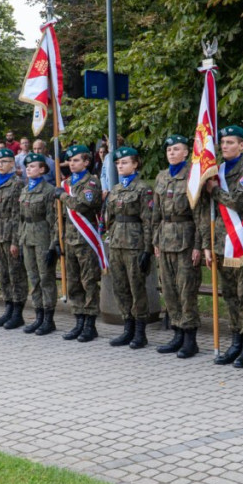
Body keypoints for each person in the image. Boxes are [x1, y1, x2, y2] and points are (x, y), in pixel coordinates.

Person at [205, 125, 243, 367]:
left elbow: (239, 202)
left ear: (242, 145)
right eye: (224, 142)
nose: (225, 146)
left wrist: (215, 190)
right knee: (230, 295)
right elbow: (207, 212)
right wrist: (206, 245)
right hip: (221, 243)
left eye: (231, 142)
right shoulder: (215, 171)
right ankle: (235, 342)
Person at [153, 134, 206, 358]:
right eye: (169, 150)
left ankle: (190, 338)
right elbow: (156, 212)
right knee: (169, 290)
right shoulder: (162, 176)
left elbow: (200, 215)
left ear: (186, 152)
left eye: (176, 149)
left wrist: (198, 246)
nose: (172, 153)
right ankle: (176, 333)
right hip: (164, 239)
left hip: (185, 241)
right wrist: (155, 241)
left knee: (186, 291)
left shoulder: (193, 176)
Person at [105, 146, 154, 349]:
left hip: (135, 244)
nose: (120, 166)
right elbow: (110, 217)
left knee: (136, 287)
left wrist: (147, 250)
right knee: (120, 287)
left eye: (124, 162)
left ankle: (140, 331)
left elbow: (148, 221)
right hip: (117, 243)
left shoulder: (143, 188)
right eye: (117, 163)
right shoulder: (115, 189)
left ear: (135, 164)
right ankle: (128, 327)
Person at [56, 144, 106, 342]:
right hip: (69, 239)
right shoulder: (66, 182)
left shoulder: (91, 183)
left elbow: (82, 206)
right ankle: (78, 320)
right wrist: (57, 240)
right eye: (70, 160)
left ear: (86, 162)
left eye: (76, 160)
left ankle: (90, 324)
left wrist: (62, 195)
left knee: (88, 282)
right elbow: (59, 216)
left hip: (86, 240)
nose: (72, 163)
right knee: (74, 282)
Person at [0, 148, 29, 329]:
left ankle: (18, 312)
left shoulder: (17, 184)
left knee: (16, 274)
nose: (1, 165)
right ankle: (8, 308)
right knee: (4, 274)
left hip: (11, 236)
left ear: (12, 163)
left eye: (4, 162)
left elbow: (17, 215)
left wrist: (15, 241)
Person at [19, 153, 59, 335]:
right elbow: (21, 218)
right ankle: (39, 315)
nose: (28, 169)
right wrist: (20, 240)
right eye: (27, 166)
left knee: (46, 278)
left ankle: (49, 319)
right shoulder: (25, 189)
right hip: (28, 237)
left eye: (33, 166)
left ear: (42, 169)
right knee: (33, 278)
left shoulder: (49, 190)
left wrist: (54, 245)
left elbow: (54, 221)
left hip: (43, 237)